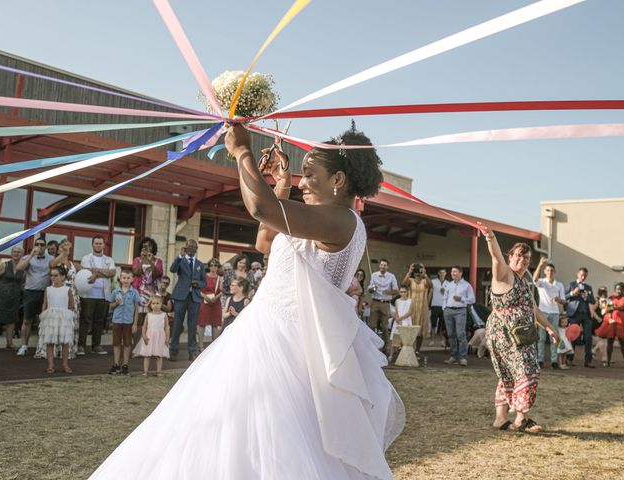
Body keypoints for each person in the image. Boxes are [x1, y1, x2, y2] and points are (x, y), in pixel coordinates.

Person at [90, 123, 404, 479]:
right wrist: (279, 186)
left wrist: (242, 152)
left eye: (309, 174)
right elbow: (265, 241)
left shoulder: (342, 221)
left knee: (274, 436)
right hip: (262, 333)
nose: (301, 182)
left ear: (339, 180)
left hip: (288, 346)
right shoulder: (319, 219)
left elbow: (261, 209)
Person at [482, 228, 559, 433]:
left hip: (522, 334)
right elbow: (496, 257)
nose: (522, 260)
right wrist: (491, 237)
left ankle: (500, 419)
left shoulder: (525, 283)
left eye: (526, 257)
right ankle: (521, 418)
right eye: (518, 255)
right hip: (504, 334)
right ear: (511, 256)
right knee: (527, 370)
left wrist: (550, 328)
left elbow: (534, 309)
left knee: (510, 373)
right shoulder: (504, 274)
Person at [169, 239, 206, 362]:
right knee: (177, 324)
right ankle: (173, 350)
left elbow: (204, 282)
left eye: (194, 247)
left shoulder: (200, 264)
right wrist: (180, 256)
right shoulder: (181, 261)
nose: (191, 249)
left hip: (194, 297)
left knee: (192, 325)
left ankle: (192, 351)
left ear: (196, 249)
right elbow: (172, 270)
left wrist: (197, 284)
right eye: (189, 247)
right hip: (181, 297)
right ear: (185, 248)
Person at [16, 237, 53, 356]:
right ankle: (24, 346)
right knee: (27, 320)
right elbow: (19, 268)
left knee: (44, 321)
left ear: (45, 247)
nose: (39, 246)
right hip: (30, 292)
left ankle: (42, 347)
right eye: (37, 244)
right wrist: (31, 255)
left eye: (42, 245)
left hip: (46, 293)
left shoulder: (51, 259)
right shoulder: (27, 258)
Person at [78, 236, 115, 355]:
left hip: (103, 295)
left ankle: (96, 346)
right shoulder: (86, 258)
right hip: (88, 294)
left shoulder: (109, 259)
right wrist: (103, 272)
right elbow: (85, 272)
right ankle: (81, 346)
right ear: (92, 244)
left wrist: (95, 271)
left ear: (104, 245)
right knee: (85, 320)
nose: (98, 245)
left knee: (99, 321)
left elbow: (112, 273)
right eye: (96, 243)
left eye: (100, 243)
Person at [37, 266, 75, 374]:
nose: (53, 277)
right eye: (51, 275)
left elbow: (72, 305)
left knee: (65, 342)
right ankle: (50, 365)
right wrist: (43, 317)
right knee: (49, 341)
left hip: (63, 317)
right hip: (50, 317)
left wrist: (65, 314)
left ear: (63, 277)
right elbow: (45, 304)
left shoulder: (67, 289)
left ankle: (65, 364)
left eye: (56, 275)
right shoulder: (48, 289)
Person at [532, 257, 566, 369]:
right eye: (548, 271)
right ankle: (540, 360)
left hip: (555, 313)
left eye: (551, 271)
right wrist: (540, 264)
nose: (550, 272)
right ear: (545, 272)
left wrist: (558, 300)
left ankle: (554, 361)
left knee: (554, 337)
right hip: (543, 312)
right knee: (541, 338)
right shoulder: (542, 282)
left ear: (554, 272)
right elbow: (534, 279)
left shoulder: (559, 284)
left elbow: (564, 301)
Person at [131, 237, 163, 347]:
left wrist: (150, 261)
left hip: (152, 293)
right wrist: (143, 259)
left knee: (151, 320)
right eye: (144, 246)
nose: (147, 248)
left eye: (149, 246)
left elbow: (157, 274)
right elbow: (136, 272)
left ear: (153, 247)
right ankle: (136, 346)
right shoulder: (137, 260)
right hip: (139, 292)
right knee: (138, 319)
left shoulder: (158, 261)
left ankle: (149, 346)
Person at [107, 269, 140, 376]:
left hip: (128, 322)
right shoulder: (116, 292)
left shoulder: (134, 292)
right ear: (120, 279)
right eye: (124, 278)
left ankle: (125, 365)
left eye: (128, 278)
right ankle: (116, 364)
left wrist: (135, 324)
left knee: (127, 343)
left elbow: (136, 309)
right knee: (116, 343)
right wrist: (116, 303)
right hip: (117, 321)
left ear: (132, 279)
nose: (126, 280)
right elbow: (110, 306)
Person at [442, 266, 475, 366]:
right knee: (451, 334)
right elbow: (445, 298)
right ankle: (453, 356)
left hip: (460, 311)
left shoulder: (467, 285)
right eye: (452, 271)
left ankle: (463, 358)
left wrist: (461, 299)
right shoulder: (449, 285)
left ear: (460, 273)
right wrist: (444, 308)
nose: (453, 273)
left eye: (455, 271)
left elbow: (472, 300)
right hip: (448, 311)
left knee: (460, 334)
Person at [565, 267, 597, 368]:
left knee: (588, 338)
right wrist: (572, 293)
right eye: (582, 275)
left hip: (586, 314)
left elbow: (593, 301)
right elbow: (563, 297)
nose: (583, 277)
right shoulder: (571, 284)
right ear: (578, 274)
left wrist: (587, 297)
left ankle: (588, 361)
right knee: (573, 337)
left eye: (585, 275)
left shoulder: (588, 287)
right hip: (574, 314)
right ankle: (569, 359)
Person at [595, 282, 624, 368]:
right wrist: (603, 303)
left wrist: (615, 307)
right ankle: (608, 361)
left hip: (622, 322)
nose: (618, 291)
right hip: (613, 321)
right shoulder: (612, 297)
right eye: (617, 289)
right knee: (610, 341)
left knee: (622, 342)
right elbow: (604, 306)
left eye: (620, 289)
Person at [0, 246, 24, 350]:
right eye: (14, 251)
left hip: (14, 297)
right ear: (11, 253)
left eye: (19, 252)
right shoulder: (4, 265)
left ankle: (9, 343)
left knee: (11, 320)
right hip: (0, 295)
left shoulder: (23, 267)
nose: (16, 253)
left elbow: (21, 282)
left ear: (22, 255)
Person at [132, 295, 170, 377]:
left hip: (160, 337)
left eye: (157, 303)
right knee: (147, 354)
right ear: (150, 305)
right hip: (149, 337)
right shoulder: (148, 315)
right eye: (153, 303)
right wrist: (144, 336)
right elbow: (144, 326)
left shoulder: (164, 315)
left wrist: (167, 338)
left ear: (161, 304)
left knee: (159, 355)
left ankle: (159, 371)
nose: (155, 305)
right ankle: (145, 371)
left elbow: (167, 327)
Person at [368, 259, 399, 348]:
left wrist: (390, 292)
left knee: (385, 326)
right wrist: (372, 289)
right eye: (381, 265)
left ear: (387, 267)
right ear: (379, 266)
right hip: (375, 302)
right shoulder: (374, 275)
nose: (383, 266)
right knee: (372, 325)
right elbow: (370, 289)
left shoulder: (391, 276)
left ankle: (386, 346)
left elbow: (396, 290)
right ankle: (371, 345)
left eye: (385, 265)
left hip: (385, 303)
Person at [402, 262, 433, 353]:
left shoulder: (425, 281)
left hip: (423, 308)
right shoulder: (410, 280)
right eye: (416, 269)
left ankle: (417, 350)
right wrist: (409, 272)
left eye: (420, 269)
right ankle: (409, 347)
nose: (417, 271)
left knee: (420, 329)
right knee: (411, 328)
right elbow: (403, 285)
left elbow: (431, 286)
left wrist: (425, 274)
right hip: (412, 308)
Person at [198, 258, 223, 348]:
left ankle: (214, 347)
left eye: (215, 265)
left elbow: (222, 291)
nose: (213, 267)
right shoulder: (204, 277)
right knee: (202, 323)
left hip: (216, 303)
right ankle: (200, 345)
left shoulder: (220, 278)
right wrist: (205, 297)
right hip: (204, 302)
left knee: (215, 324)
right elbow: (198, 290)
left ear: (218, 267)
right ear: (209, 266)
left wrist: (216, 298)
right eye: (211, 265)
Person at [388, 286, 413, 363]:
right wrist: (397, 319)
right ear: (399, 293)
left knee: (405, 340)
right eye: (401, 292)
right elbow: (396, 312)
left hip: (406, 320)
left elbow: (409, 312)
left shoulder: (410, 301)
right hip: (398, 321)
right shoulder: (397, 301)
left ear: (407, 292)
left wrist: (401, 318)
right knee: (394, 338)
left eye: (404, 292)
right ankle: (391, 355)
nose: (403, 293)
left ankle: (405, 356)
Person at [430, 269, 448, 346]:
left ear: (446, 274)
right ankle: (432, 340)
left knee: (442, 324)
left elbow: (450, 295)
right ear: (438, 273)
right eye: (440, 272)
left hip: (444, 306)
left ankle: (442, 341)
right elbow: (430, 293)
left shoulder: (448, 283)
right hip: (434, 304)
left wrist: (445, 292)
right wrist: (428, 303)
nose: (442, 274)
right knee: (433, 324)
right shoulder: (433, 282)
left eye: (443, 272)